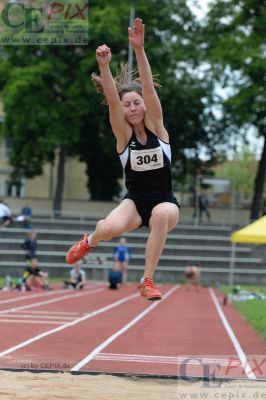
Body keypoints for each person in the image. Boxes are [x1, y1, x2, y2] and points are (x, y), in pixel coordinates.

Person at [65, 18, 180, 301]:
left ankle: (147, 280)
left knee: (161, 215)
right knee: (107, 229)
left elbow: (150, 90)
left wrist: (139, 49)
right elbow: (113, 102)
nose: (132, 107)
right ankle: (88, 242)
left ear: (144, 104)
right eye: (127, 104)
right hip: (134, 202)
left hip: (164, 201)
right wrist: (104, 67)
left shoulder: (159, 130)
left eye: (136, 102)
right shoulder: (122, 139)